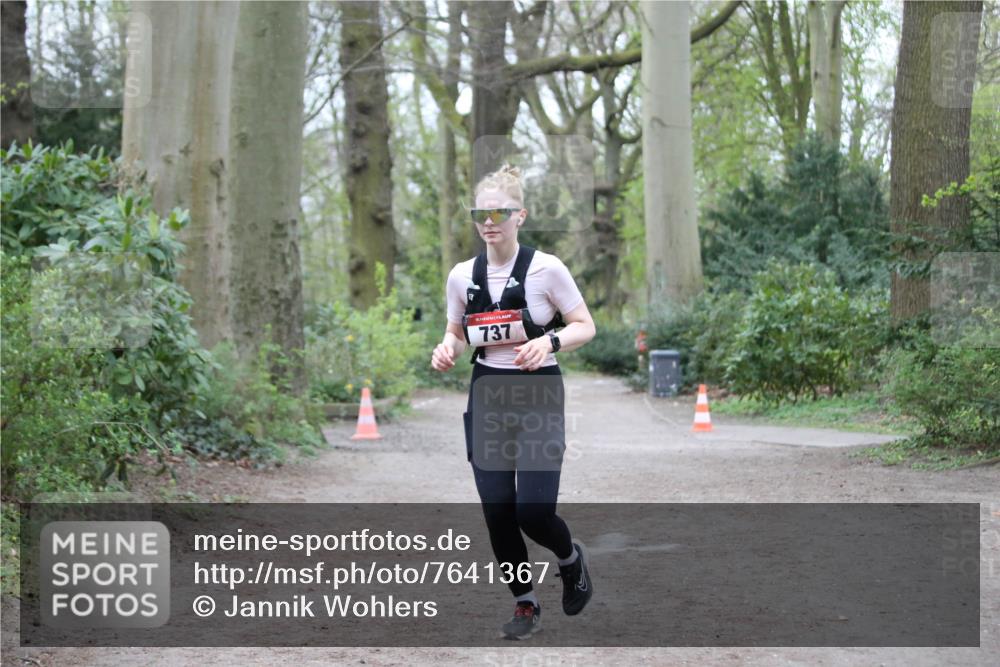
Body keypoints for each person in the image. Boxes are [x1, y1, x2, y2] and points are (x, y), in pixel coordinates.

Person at [430, 164, 597, 640]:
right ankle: (525, 603)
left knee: (533, 513)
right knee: (498, 512)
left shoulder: (547, 269)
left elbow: (585, 325)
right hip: (488, 394)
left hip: (538, 392)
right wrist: (446, 348)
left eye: (499, 212)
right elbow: (456, 332)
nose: (489, 222)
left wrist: (550, 342)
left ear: (520, 216)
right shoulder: (462, 276)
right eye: (480, 213)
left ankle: (570, 559)